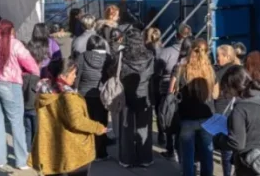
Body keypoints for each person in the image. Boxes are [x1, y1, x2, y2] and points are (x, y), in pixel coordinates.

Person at [28, 58, 106, 176]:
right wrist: (98, 127)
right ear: (64, 74)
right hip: (73, 145)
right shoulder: (68, 96)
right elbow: (76, 121)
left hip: (50, 143)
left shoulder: (43, 89)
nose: (75, 76)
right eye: (73, 73)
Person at [0, 20, 39, 171]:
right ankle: (21, 160)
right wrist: (34, 73)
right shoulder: (15, 44)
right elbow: (31, 64)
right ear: (11, 31)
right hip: (10, 84)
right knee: (16, 122)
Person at [174, 38, 216, 176]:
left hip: (187, 116)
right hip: (206, 116)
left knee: (188, 156)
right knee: (207, 154)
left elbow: (176, 91)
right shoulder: (210, 71)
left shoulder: (182, 69)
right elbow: (216, 95)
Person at [118, 28, 155, 168]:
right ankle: (145, 157)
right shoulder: (150, 55)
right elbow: (152, 74)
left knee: (126, 127)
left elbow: (118, 72)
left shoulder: (123, 55)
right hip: (144, 93)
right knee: (143, 128)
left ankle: (127, 159)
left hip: (126, 94)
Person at [156, 26, 191, 159]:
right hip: (185, 95)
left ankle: (171, 148)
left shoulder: (167, 52)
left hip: (168, 90)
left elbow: (158, 71)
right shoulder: (197, 61)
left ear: (177, 35)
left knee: (170, 119)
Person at [75, 35, 112, 161]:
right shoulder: (108, 58)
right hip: (102, 94)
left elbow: (78, 75)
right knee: (101, 122)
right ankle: (101, 152)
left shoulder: (82, 56)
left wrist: (75, 90)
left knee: (86, 123)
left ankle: (86, 150)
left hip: (84, 94)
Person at [213, 44, 242, 176]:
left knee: (225, 147)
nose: (216, 58)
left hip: (222, 109)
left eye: (219, 55)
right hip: (236, 109)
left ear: (227, 56)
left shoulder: (219, 72)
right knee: (236, 145)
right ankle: (237, 175)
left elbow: (214, 94)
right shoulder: (239, 69)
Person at [22, 45, 47, 163]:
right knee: (37, 131)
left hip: (24, 107)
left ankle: (27, 151)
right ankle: (37, 153)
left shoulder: (23, 75)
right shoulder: (36, 78)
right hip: (35, 108)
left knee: (27, 129)